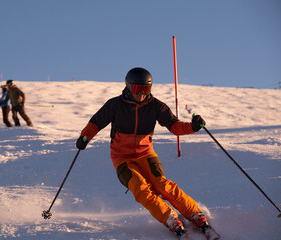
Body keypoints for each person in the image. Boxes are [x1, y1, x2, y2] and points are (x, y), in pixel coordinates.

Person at [76, 67, 220, 240]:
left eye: (147, 90)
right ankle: (170, 218)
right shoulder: (115, 105)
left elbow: (174, 125)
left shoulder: (156, 106)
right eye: (138, 89)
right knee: (141, 189)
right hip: (122, 158)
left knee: (162, 185)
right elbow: (96, 123)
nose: (142, 94)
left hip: (145, 154)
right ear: (129, 87)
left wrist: (193, 127)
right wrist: (84, 137)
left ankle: (196, 215)